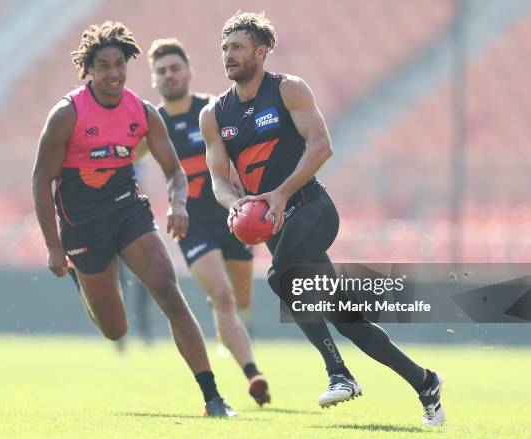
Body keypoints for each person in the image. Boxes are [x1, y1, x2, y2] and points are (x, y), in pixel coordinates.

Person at [200, 11, 445, 426]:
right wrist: (235, 206)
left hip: (313, 210)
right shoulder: (214, 114)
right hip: (275, 227)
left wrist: (279, 193)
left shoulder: (289, 89)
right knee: (351, 321)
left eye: (237, 47)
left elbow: (322, 146)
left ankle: (339, 373)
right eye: (225, 48)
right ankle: (426, 382)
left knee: (281, 277)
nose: (229, 55)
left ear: (262, 51)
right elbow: (219, 181)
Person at [32, 21, 235, 417]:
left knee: (170, 292)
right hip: (81, 226)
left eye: (119, 64)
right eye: (103, 65)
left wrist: (179, 205)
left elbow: (175, 172)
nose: (113, 73)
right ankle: (82, 277)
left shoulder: (141, 112)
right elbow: (41, 181)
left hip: (129, 213)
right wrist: (54, 247)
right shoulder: (66, 115)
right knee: (115, 330)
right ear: (89, 70)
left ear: (128, 65)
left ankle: (213, 397)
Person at [147, 38, 269, 406]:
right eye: (162, 71)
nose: (169, 76)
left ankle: (228, 334)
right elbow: (127, 154)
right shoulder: (153, 122)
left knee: (240, 299)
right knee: (223, 296)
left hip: (233, 218)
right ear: (155, 79)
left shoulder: (213, 111)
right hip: (192, 226)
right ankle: (254, 374)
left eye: (175, 68)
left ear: (188, 72)